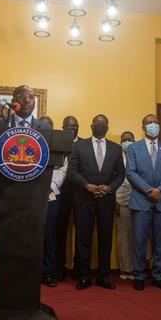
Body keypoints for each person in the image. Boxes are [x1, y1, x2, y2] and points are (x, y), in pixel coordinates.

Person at [68, 114, 125, 290]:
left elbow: (121, 174)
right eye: (97, 123)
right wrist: (87, 186)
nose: (100, 126)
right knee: (83, 239)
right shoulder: (79, 146)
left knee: (105, 239)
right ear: (91, 126)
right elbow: (71, 171)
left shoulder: (116, 148)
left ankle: (103, 276)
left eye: (103, 124)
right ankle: (84, 276)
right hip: (84, 198)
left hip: (106, 199)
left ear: (107, 127)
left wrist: (109, 188)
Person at [127, 114, 161, 291]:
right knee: (140, 241)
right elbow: (131, 173)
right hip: (141, 201)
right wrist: (150, 190)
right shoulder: (134, 148)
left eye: (156, 122)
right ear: (143, 127)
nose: (153, 125)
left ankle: (158, 276)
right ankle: (139, 275)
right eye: (149, 123)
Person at [38, 115, 68, 287]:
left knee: (50, 234)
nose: (45, 128)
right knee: (33, 234)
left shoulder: (59, 145)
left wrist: (50, 185)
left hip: (52, 194)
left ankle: (48, 271)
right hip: (32, 195)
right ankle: (33, 271)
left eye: (49, 125)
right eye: (42, 125)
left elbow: (62, 169)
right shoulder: (32, 143)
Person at [55, 115, 81, 281]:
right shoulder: (57, 142)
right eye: (68, 126)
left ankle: (79, 268)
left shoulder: (85, 144)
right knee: (60, 231)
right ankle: (59, 267)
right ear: (63, 127)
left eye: (74, 126)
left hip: (81, 193)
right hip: (61, 193)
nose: (71, 129)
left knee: (81, 231)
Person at [116, 131, 135, 280]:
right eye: (124, 140)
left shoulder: (138, 155)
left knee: (139, 235)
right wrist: (114, 201)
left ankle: (136, 267)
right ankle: (125, 269)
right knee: (123, 236)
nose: (127, 141)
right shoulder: (116, 156)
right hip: (120, 200)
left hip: (139, 200)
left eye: (130, 139)